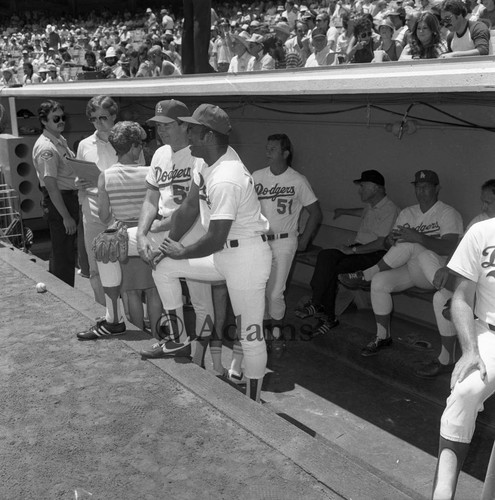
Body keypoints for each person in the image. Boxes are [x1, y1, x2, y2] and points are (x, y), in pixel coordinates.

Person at [140, 104, 272, 402]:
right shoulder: (206, 161)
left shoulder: (227, 175)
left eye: (193, 129)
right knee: (163, 268)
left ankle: (253, 402)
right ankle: (177, 340)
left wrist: (182, 250)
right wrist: (168, 247)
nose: (187, 132)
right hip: (223, 255)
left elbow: (214, 237)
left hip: (246, 258)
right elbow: (187, 210)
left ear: (209, 136)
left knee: (250, 333)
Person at [339, 170, 463, 356]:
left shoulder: (448, 213)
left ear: (437, 189)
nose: (420, 191)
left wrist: (418, 237)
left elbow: (450, 247)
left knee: (414, 245)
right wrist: (391, 239)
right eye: (417, 187)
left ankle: (365, 274)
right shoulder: (408, 212)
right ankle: (382, 336)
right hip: (411, 269)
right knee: (380, 281)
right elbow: (390, 245)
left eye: (425, 187)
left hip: (435, 273)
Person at [431, 217, 495, 499]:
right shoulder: (482, 232)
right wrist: (470, 350)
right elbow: (462, 298)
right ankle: (442, 494)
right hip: (489, 334)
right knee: (464, 392)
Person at [296, 170, 399, 336]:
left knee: (335, 267)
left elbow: (381, 242)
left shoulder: (390, 210)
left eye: (363, 186)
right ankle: (319, 304)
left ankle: (324, 312)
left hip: (375, 255)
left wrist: (352, 250)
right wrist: (343, 210)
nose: (360, 190)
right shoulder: (372, 206)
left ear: (375, 188)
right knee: (325, 256)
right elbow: (361, 212)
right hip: (359, 250)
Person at [415, 179, 495, 378]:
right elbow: (461, 250)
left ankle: (455, 304)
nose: (483, 206)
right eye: (482, 201)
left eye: (488, 202)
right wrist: (447, 268)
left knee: (444, 299)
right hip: (470, 284)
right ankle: (446, 359)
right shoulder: (479, 222)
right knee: (438, 292)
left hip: (488, 297)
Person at [252, 133, 321, 345]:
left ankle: (277, 335)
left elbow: (316, 213)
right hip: (259, 240)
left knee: (275, 292)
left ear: (285, 153)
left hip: (284, 240)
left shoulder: (297, 180)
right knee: (260, 288)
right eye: (267, 147)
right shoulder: (256, 176)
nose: (268, 152)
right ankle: (262, 333)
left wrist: (305, 239)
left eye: (273, 148)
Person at [96, 121, 163, 339]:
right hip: (149, 235)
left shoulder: (105, 176)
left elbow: (104, 215)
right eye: (140, 144)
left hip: (123, 238)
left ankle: (140, 337)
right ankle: (156, 335)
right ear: (134, 146)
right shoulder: (149, 173)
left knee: (131, 292)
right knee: (154, 291)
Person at [75, 96, 121, 305]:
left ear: (113, 116)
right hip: (91, 207)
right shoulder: (84, 145)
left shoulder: (125, 140)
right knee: (95, 268)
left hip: (119, 208)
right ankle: (106, 314)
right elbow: (80, 176)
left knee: (123, 265)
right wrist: (80, 184)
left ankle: (128, 316)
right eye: (93, 119)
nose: (98, 122)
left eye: (103, 117)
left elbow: (137, 175)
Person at [32, 100, 78, 287]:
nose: (61, 121)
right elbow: (51, 186)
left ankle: (63, 289)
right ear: (44, 121)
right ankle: (64, 293)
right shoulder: (47, 148)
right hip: (60, 201)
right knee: (63, 252)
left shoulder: (59, 141)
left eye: (63, 117)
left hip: (68, 198)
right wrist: (65, 216)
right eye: (55, 118)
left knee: (66, 249)